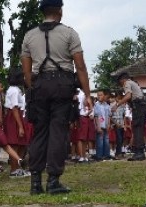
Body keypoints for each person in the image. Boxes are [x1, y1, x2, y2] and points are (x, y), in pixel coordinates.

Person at [21, 0, 92, 195]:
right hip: (62, 85)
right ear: (59, 11)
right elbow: (81, 66)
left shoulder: (29, 35)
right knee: (58, 132)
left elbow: (26, 70)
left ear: (42, 12)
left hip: (40, 85)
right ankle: (53, 180)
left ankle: (35, 182)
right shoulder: (69, 33)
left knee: (39, 132)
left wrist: (32, 88)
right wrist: (87, 94)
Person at [112, 73, 146, 161]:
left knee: (137, 129)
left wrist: (117, 104)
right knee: (139, 129)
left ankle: (139, 153)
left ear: (122, 80)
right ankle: (140, 151)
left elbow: (128, 96)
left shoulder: (127, 83)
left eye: (120, 83)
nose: (121, 85)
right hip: (142, 106)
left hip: (139, 107)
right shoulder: (134, 83)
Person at [94, 90, 111, 161]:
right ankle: (99, 156)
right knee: (100, 141)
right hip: (100, 125)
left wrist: (109, 124)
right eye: (98, 95)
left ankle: (106, 155)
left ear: (104, 96)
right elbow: (96, 116)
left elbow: (109, 116)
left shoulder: (107, 105)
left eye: (101, 95)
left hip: (106, 125)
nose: (99, 96)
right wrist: (98, 127)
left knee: (106, 140)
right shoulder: (96, 105)